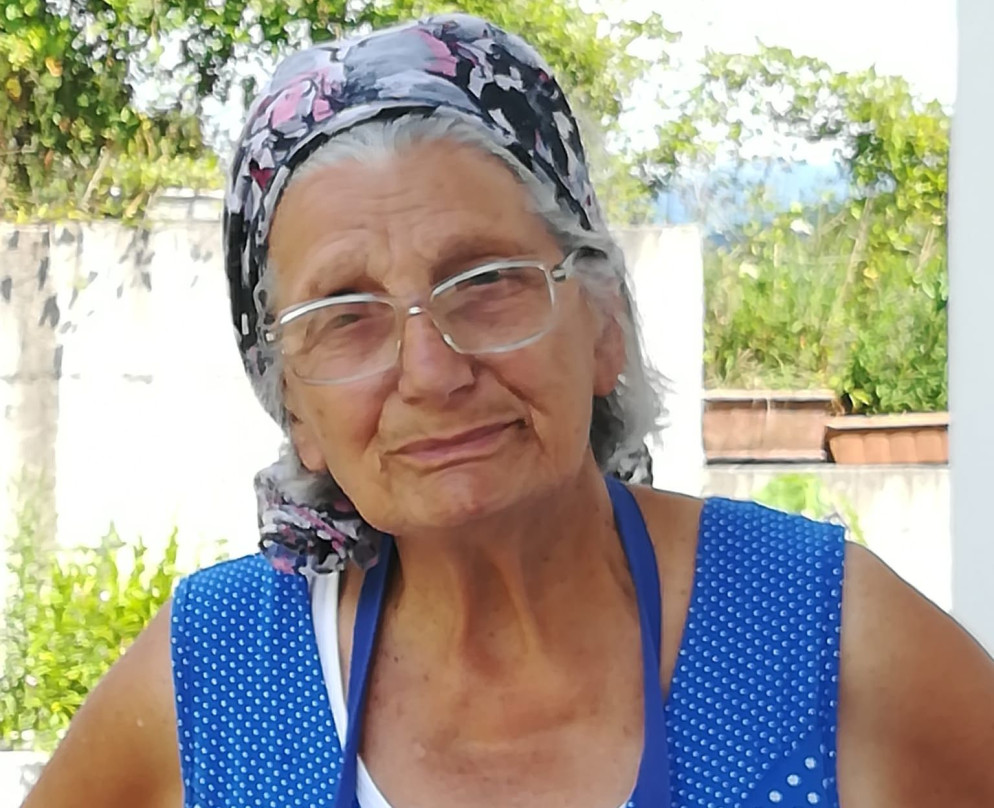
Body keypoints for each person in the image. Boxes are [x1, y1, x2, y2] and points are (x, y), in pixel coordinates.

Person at [25, 13, 994, 808]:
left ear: (604, 322)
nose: (430, 372)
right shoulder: (216, 677)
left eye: (486, 281)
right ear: (295, 410)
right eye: (346, 317)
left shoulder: (821, 635)